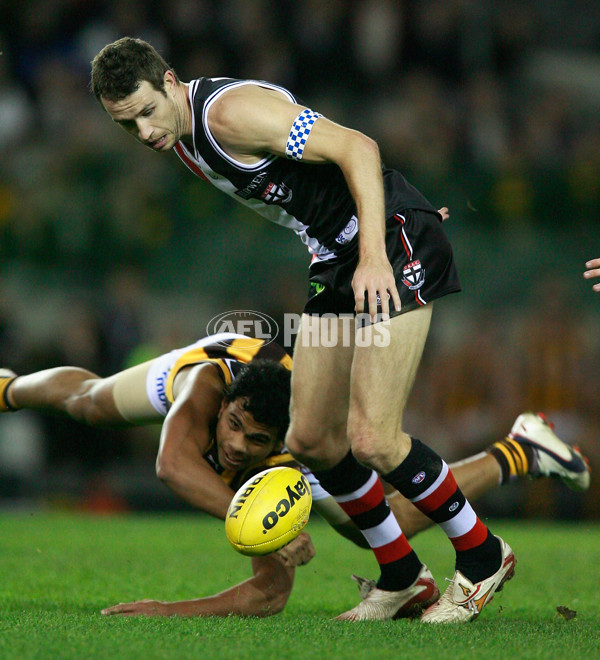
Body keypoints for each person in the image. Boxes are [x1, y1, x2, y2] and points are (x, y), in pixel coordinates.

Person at [89, 37, 578, 622]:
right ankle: (402, 578)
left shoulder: (227, 114)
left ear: (170, 82)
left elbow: (356, 146)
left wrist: (379, 245)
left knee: (373, 438)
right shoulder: (184, 138)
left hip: (388, 253)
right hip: (338, 263)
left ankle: (482, 555)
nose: (143, 133)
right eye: (127, 125)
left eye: (145, 112)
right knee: (313, 440)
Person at [0, 333, 589, 617]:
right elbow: (172, 464)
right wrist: (265, 527)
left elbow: (269, 595)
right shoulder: (206, 387)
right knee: (91, 401)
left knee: (381, 524)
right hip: (228, 356)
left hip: (305, 409)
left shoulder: (293, 448)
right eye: (231, 426)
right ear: (225, 405)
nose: (233, 445)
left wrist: (166, 610)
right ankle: (8, 385)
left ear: (279, 445)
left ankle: (521, 450)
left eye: (254, 441)